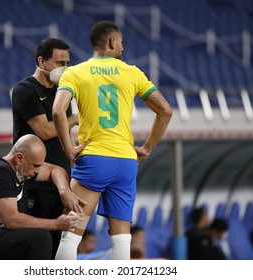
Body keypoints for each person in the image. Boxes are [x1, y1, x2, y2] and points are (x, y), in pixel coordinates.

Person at [52, 21, 173, 260]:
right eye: (121, 42)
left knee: (71, 234)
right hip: (126, 162)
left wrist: (68, 148)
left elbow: (57, 112)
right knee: (121, 239)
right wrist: (146, 148)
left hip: (94, 160)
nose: (122, 47)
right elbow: (166, 111)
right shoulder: (133, 72)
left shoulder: (75, 72)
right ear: (112, 42)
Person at [0, 134, 84, 260]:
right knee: (40, 238)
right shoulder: (0, 172)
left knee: (42, 234)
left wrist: (64, 190)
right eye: (36, 165)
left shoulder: (22, 168)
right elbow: (11, 220)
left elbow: (56, 170)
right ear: (19, 158)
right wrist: (56, 224)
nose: (37, 171)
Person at [11, 38, 80, 258]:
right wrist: (75, 118)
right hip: (35, 178)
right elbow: (46, 131)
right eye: (60, 63)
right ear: (42, 61)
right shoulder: (25, 90)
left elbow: (63, 136)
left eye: (67, 63)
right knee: (36, 243)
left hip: (61, 179)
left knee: (61, 242)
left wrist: (72, 155)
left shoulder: (62, 91)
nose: (65, 68)